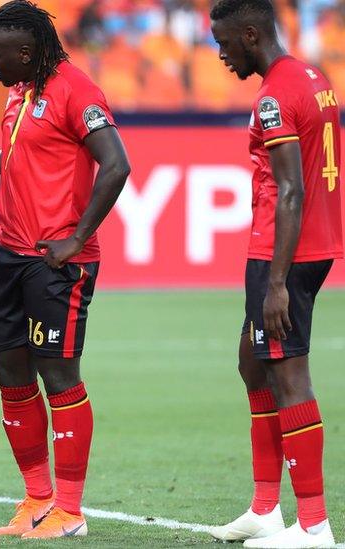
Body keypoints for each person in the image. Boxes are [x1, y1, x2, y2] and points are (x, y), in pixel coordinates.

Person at [0, 0, 129, 539]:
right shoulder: (22, 90)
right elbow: (22, 154)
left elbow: (116, 163)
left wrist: (76, 237)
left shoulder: (77, 90)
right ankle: (37, 498)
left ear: (26, 51)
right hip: (13, 254)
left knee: (58, 374)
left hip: (56, 260)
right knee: (11, 373)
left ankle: (70, 509)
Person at [206, 1, 341, 547]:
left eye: (224, 43)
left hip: (285, 252)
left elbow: (291, 190)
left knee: (289, 376)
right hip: (305, 243)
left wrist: (278, 282)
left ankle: (314, 525)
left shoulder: (273, 97)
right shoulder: (314, 77)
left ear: (251, 34)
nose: (220, 55)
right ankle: (266, 509)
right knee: (252, 362)